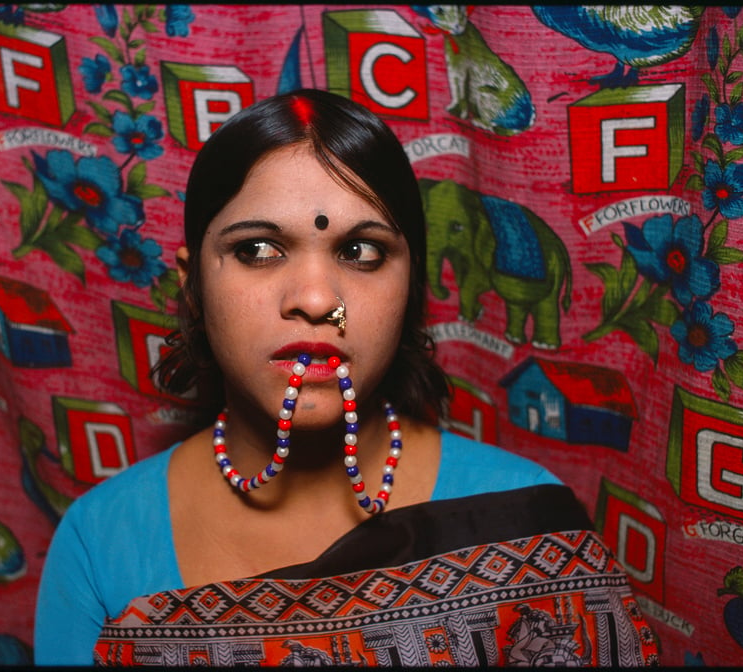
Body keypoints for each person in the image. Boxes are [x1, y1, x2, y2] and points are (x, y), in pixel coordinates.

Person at [34, 89, 658, 666]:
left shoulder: (527, 525)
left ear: (411, 287)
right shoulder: (100, 541)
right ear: (192, 286)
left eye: (362, 252)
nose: (314, 297)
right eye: (257, 249)